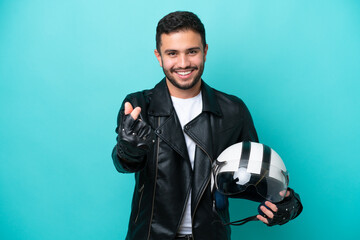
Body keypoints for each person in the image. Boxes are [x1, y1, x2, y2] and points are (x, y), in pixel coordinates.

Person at [112, 11, 302, 240]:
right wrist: (128, 149)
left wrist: (287, 201)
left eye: (192, 51)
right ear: (158, 56)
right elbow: (123, 163)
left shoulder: (233, 110)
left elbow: (251, 177)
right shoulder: (138, 105)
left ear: (205, 51)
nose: (183, 63)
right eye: (172, 53)